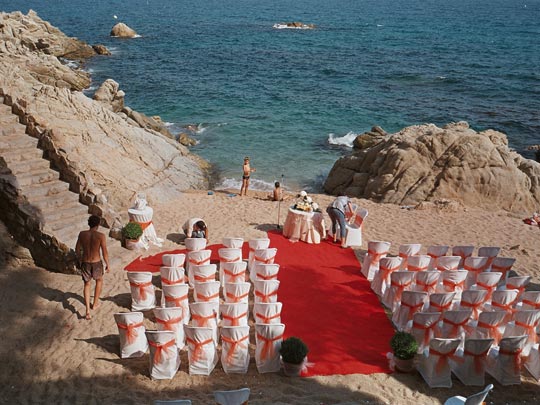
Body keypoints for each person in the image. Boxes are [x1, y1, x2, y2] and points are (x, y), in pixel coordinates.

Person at [75, 215, 110, 320]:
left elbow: (77, 249)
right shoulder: (101, 236)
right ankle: (95, 303)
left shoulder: (82, 234)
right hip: (96, 262)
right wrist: (107, 264)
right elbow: (104, 252)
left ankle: (87, 311)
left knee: (87, 284)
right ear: (98, 225)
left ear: (89, 223)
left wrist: (80, 260)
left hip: (85, 262)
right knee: (99, 281)